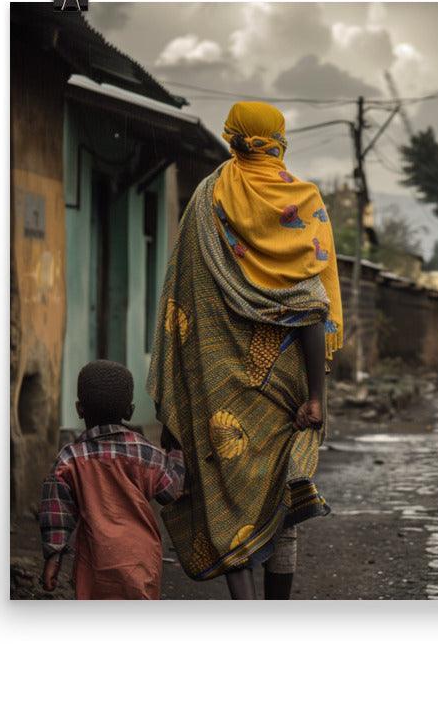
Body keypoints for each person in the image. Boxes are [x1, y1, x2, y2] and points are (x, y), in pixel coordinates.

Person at [148, 102, 343, 600]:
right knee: (282, 498)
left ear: (232, 136)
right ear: (279, 138)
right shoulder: (304, 201)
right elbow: (311, 307)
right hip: (289, 384)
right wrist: (317, 398)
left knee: (228, 500)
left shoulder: (206, 199)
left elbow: (182, 300)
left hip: (219, 387)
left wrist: (177, 410)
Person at [39, 360, 185, 599]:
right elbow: (171, 491)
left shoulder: (70, 459)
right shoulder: (147, 453)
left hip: (94, 564)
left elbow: (56, 513)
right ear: (130, 411)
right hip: (142, 561)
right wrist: (177, 451)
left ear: (79, 409)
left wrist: (53, 557)